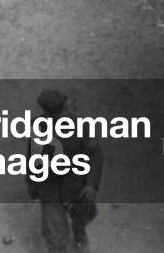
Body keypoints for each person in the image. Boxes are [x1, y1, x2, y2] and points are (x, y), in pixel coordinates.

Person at [27, 89, 102, 253]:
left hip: (76, 186)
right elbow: (32, 157)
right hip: (50, 188)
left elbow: (95, 154)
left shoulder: (80, 126)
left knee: (80, 218)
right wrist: (32, 184)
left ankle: (80, 234)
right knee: (55, 239)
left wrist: (91, 185)